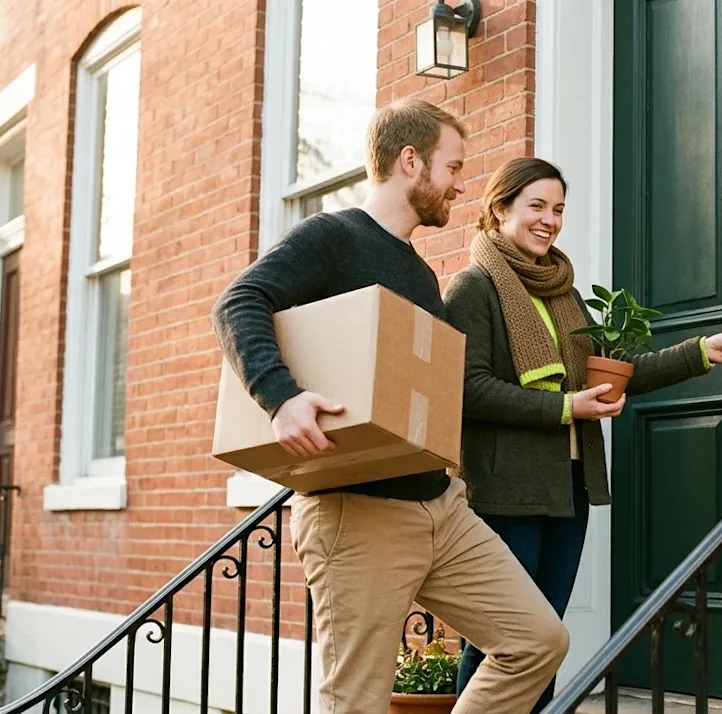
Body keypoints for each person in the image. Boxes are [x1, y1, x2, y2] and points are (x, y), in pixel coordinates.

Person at [212, 101, 569, 714]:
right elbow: (239, 300)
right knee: (357, 702)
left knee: (536, 641)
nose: (461, 183)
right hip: (360, 516)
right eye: (453, 167)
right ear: (411, 161)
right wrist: (282, 400)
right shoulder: (334, 236)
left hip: (441, 508)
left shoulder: (420, 273)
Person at [443, 157, 722, 712]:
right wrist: (564, 407)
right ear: (499, 208)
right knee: (503, 641)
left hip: (570, 488)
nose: (549, 220)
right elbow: (468, 390)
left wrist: (700, 352)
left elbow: (614, 372)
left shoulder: (563, 292)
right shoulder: (474, 287)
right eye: (536, 206)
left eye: (558, 209)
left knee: (547, 638)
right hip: (506, 493)